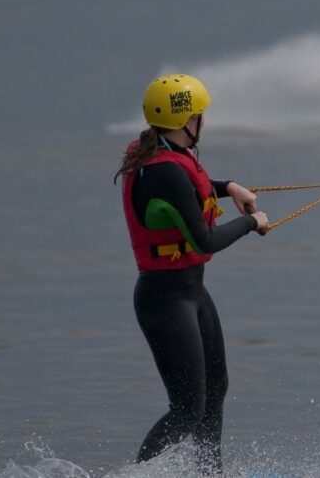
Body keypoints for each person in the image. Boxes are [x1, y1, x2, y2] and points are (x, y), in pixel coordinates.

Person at [115, 74, 269, 474]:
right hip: (164, 299)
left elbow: (191, 192)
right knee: (186, 409)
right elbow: (204, 241)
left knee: (215, 391)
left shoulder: (166, 154)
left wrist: (229, 186)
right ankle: (136, 475)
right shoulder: (162, 170)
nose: (202, 122)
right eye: (199, 115)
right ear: (185, 120)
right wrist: (253, 224)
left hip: (192, 292)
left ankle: (208, 473)